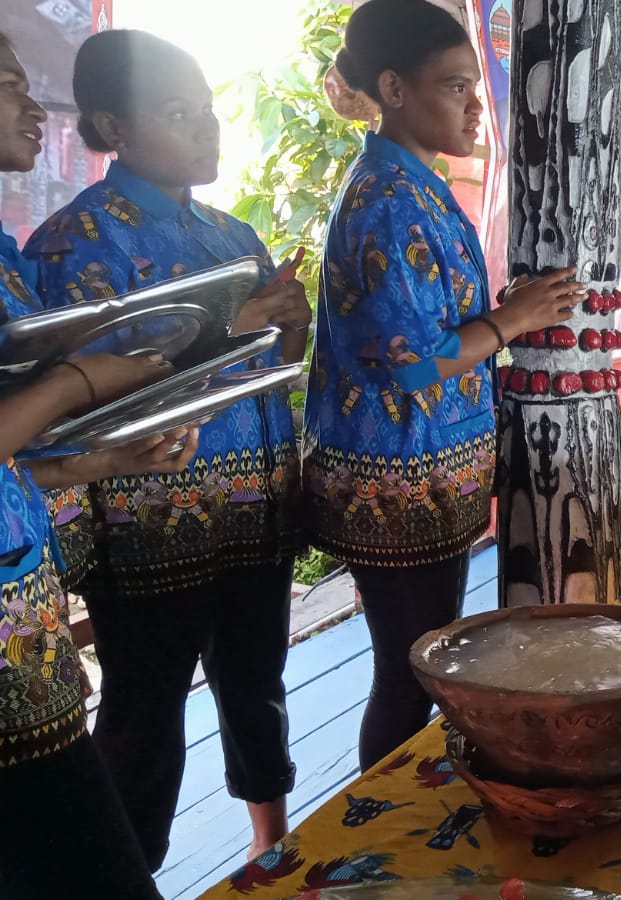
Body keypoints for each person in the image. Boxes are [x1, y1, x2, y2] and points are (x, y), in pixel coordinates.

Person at [24, 29, 309, 868]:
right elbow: (80, 401)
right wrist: (236, 328)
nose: (207, 129)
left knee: (257, 689)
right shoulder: (72, 249)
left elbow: (274, 377)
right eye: (179, 114)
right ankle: (135, 869)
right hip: (148, 524)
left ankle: (276, 850)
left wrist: (287, 332)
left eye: (209, 110)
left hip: (256, 512)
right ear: (111, 127)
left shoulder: (236, 237)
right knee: (146, 715)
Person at [308, 0, 584, 770]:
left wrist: (505, 317)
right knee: (411, 673)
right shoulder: (388, 202)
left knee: (423, 661)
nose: (474, 106)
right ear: (393, 89)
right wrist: (514, 319)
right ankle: (377, 839)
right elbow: (415, 365)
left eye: (474, 87)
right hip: (394, 482)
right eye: (454, 86)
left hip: (426, 475)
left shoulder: (417, 185)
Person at [0, 32, 203, 898]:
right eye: (7, 85)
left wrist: (100, 459)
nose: (30, 105)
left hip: (26, 626)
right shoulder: (62, 242)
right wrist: (82, 380)